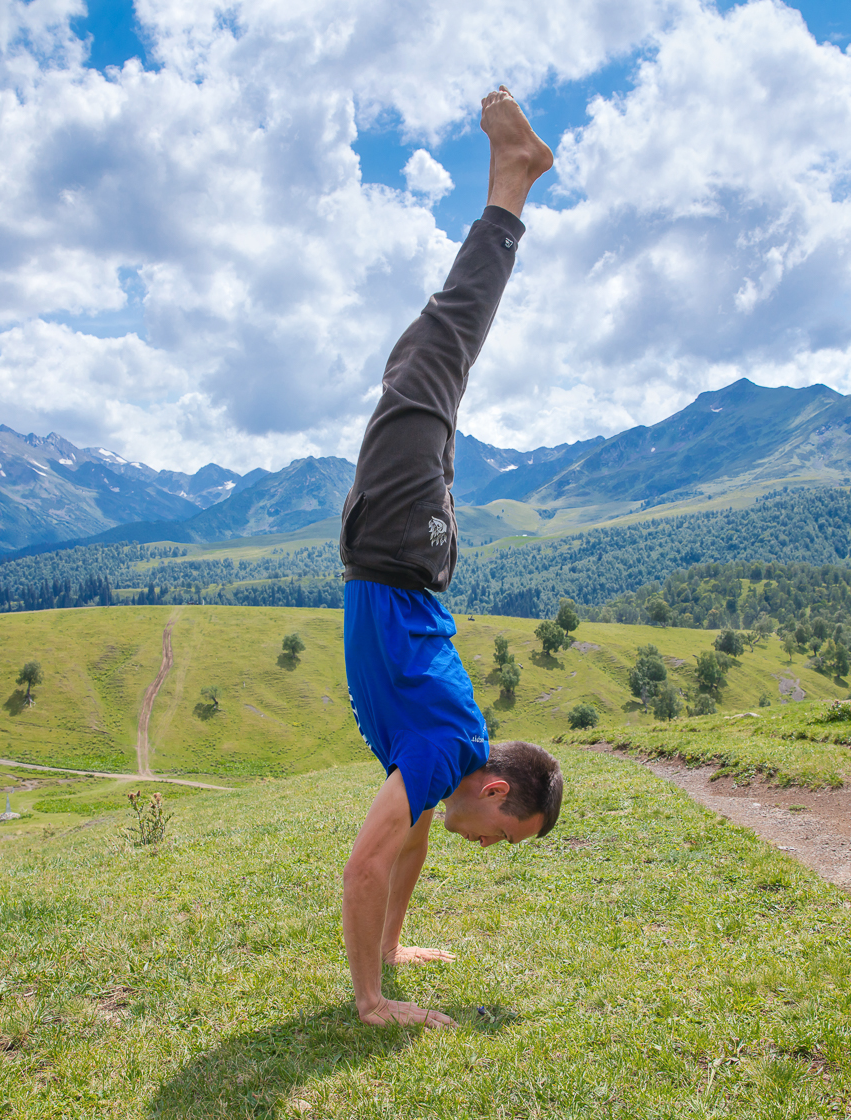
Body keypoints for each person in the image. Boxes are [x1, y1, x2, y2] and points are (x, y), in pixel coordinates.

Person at [338, 87, 565, 1030]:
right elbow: (363, 865)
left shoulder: (439, 771)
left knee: (422, 360)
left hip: (404, 554)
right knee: (443, 347)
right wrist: (372, 1005)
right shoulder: (444, 748)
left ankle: (511, 181)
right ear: (497, 791)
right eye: (507, 837)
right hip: (399, 547)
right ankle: (514, 178)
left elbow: (409, 847)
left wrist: (392, 952)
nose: (493, 848)